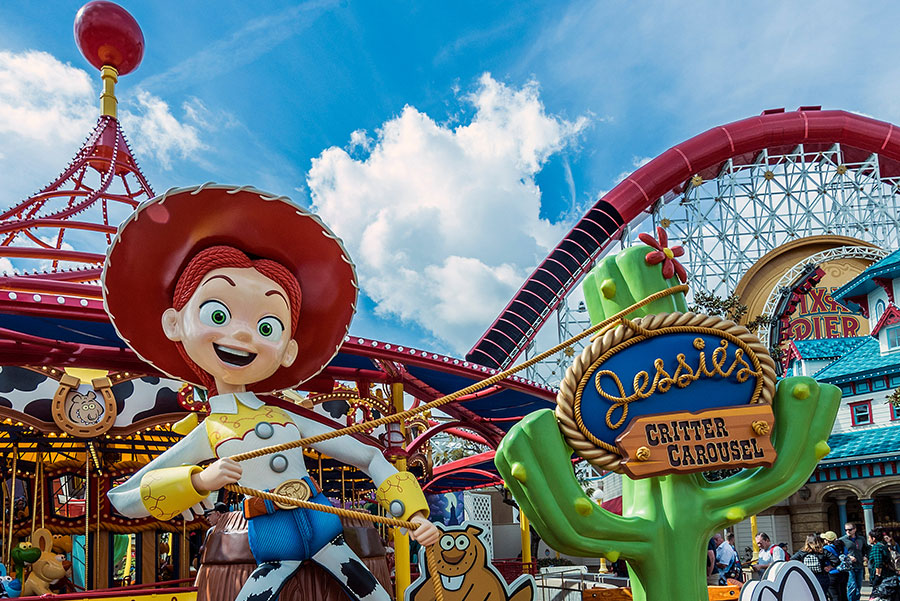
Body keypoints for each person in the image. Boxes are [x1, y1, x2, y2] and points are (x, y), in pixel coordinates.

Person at [104, 185, 439, 601]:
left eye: (267, 327)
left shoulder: (287, 417)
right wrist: (198, 479)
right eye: (218, 314)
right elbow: (124, 498)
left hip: (324, 529)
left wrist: (415, 514)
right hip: (272, 541)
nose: (242, 333)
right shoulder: (211, 431)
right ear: (175, 323)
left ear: (287, 351)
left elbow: (370, 455)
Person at [791, 534, 837, 598]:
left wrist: (801, 566)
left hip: (807, 578)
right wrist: (830, 567)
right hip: (822, 577)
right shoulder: (822, 551)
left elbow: (792, 560)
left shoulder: (802, 552)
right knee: (822, 596)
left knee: (810, 596)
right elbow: (836, 560)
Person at [839, 523, 869, 601]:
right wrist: (848, 557)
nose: (847, 531)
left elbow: (865, 549)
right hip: (849, 566)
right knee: (852, 586)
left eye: (850, 529)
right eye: (846, 530)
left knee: (858, 586)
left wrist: (865, 556)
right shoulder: (842, 540)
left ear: (855, 529)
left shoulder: (861, 539)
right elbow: (839, 553)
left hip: (859, 565)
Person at [822, 530, 850, 601]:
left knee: (834, 596)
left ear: (827, 540)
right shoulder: (842, 546)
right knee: (843, 594)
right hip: (843, 573)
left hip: (832, 573)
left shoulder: (826, 548)